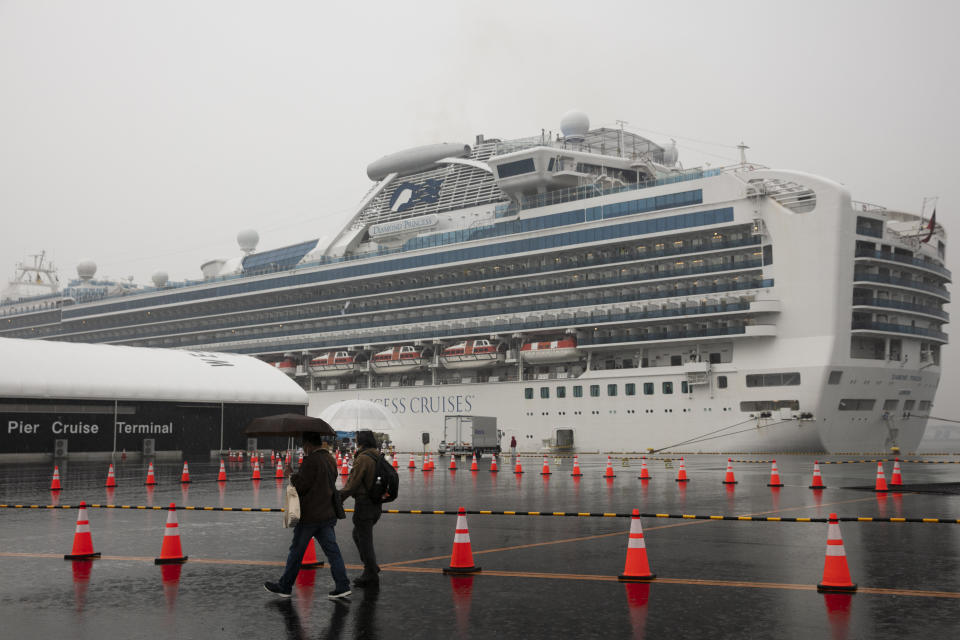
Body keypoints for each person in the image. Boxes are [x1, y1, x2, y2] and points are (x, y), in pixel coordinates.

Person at [264, 431, 351, 599]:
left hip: (310, 516)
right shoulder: (330, 460)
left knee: (296, 551)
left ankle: (285, 586)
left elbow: (302, 486)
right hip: (327, 514)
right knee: (333, 552)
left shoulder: (311, 461)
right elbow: (327, 481)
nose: (304, 449)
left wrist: (291, 475)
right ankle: (342, 585)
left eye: (304, 446)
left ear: (309, 445)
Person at [340, 430, 382, 588]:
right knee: (358, 534)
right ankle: (371, 566)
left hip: (365, 503)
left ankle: (370, 573)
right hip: (376, 502)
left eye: (356, 439)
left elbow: (353, 483)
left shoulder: (363, 458)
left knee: (364, 539)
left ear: (361, 441)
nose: (355, 441)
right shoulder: (376, 455)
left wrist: (339, 498)